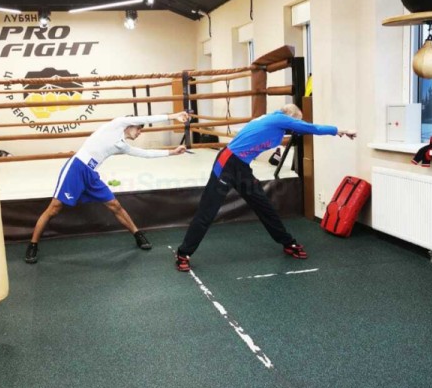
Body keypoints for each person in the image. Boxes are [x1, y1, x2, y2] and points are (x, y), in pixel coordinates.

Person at [175, 104, 356, 272]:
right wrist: (340, 131)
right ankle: (183, 253)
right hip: (227, 163)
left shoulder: (273, 121)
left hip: (242, 167)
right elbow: (311, 128)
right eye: (296, 122)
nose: (296, 126)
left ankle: (288, 243)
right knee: (208, 210)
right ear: (290, 118)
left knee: (264, 205)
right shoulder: (279, 119)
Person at [25, 111, 190, 263]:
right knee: (54, 208)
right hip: (76, 168)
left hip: (91, 174)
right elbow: (146, 118)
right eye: (139, 128)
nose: (140, 132)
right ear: (130, 124)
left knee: (115, 205)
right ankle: (33, 245)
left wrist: (171, 152)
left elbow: (145, 154)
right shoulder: (117, 124)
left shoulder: (122, 145)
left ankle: (138, 234)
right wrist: (173, 116)